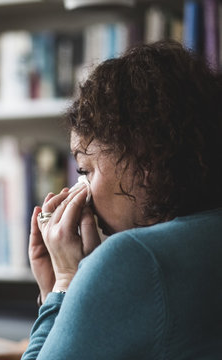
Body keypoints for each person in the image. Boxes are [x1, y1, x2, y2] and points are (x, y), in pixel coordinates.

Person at [22, 40, 222, 359]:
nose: (80, 192)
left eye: (85, 170)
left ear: (144, 161)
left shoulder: (132, 259)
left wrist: (65, 283)